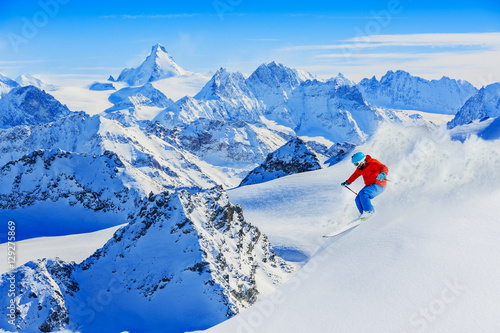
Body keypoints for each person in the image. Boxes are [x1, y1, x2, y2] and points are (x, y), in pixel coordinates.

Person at [341, 152, 388, 220]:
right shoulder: (361, 168)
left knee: (364, 194)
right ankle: (364, 214)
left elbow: (383, 167)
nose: (357, 166)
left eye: (357, 164)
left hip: (379, 185)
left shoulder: (373, 163)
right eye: (355, 164)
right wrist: (347, 182)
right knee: (357, 198)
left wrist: (383, 174)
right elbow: (355, 175)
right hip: (370, 186)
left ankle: (369, 212)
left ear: (362, 161)